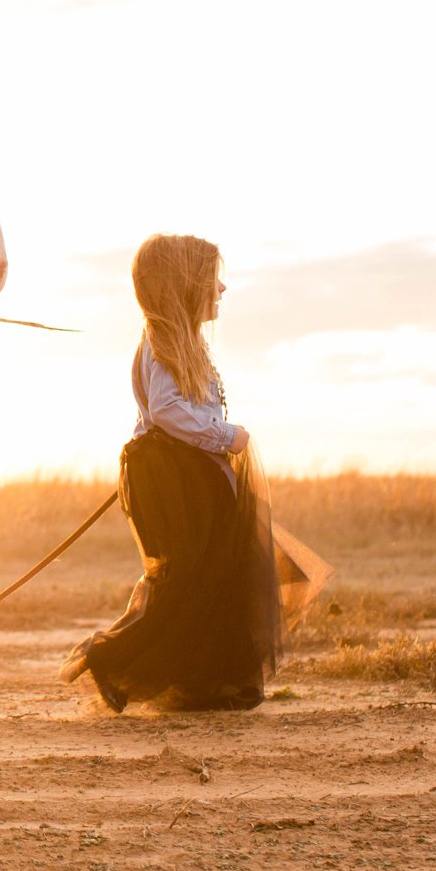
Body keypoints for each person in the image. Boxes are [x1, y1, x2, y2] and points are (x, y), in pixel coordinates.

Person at [60, 234, 287, 713]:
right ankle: (111, 658)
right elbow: (165, 409)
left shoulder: (180, 341)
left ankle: (203, 680)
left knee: (209, 575)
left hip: (184, 472)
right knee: (188, 577)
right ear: (184, 285)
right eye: (211, 279)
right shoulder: (162, 339)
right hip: (175, 477)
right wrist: (226, 435)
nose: (222, 288)